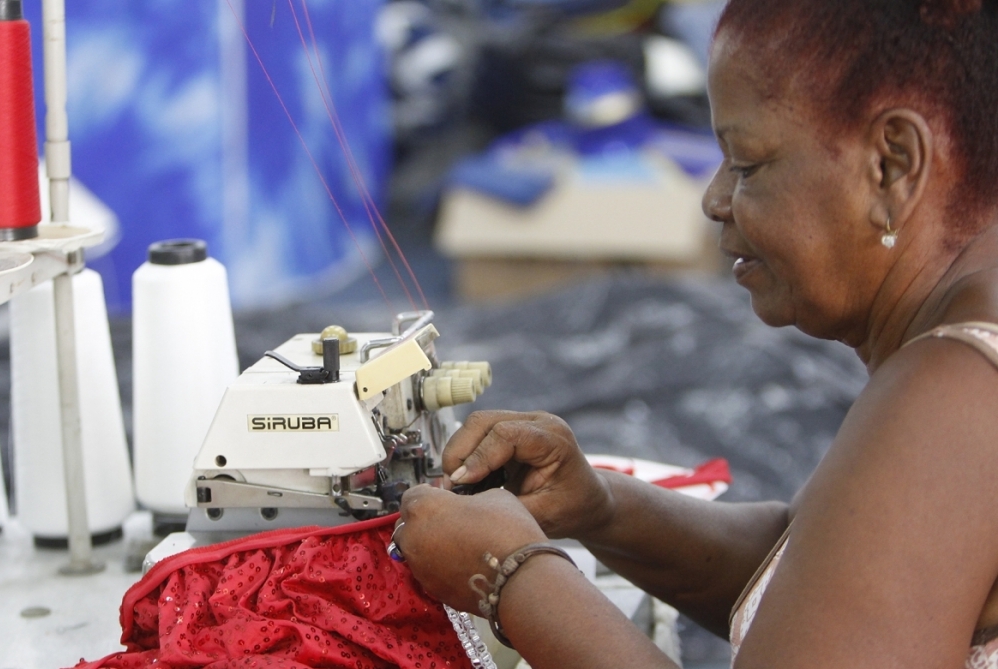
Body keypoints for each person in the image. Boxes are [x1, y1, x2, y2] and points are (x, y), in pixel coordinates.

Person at [391, 1, 998, 666]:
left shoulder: (952, 394)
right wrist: (600, 508)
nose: (713, 200)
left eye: (746, 165)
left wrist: (512, 574)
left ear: (891, 162)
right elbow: (822, 580)